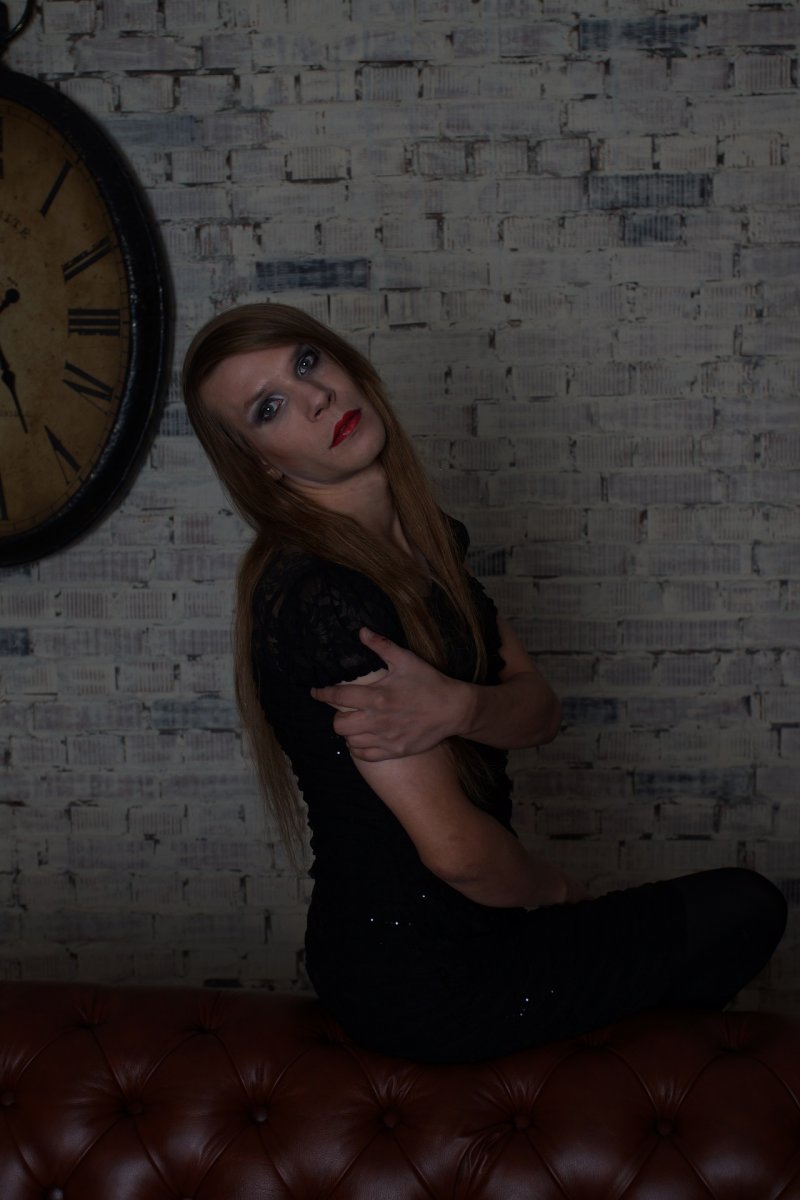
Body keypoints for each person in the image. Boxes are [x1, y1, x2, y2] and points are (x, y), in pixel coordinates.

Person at [182, 301, 787, 1064]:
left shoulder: (424, 540)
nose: (316, 397)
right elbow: (458, 853)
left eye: (308, 362)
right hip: (416, 969)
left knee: (725, 928)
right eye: (269, 408)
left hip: (479, 923)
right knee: (741, 909)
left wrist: (459, 706)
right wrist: (560, 894)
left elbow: (539, 710)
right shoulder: (323, 598)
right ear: (261, 463)